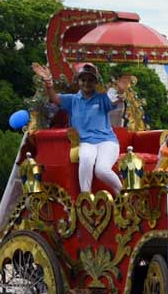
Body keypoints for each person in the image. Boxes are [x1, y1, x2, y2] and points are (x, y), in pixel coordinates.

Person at [32, 61, 128, 195]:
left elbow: (116, 100)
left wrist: (121, 91)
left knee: (101, 170)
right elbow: (54, 98)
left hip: (107, 141)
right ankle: (86, 198)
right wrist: (48, 83)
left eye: (90, 80)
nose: (86, 83)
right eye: (83, 80)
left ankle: (124, 193)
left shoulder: (102, 98)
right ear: (79, 81)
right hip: (85, 142)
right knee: (86, 159)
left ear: (95, 82)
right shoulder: (72, 100)